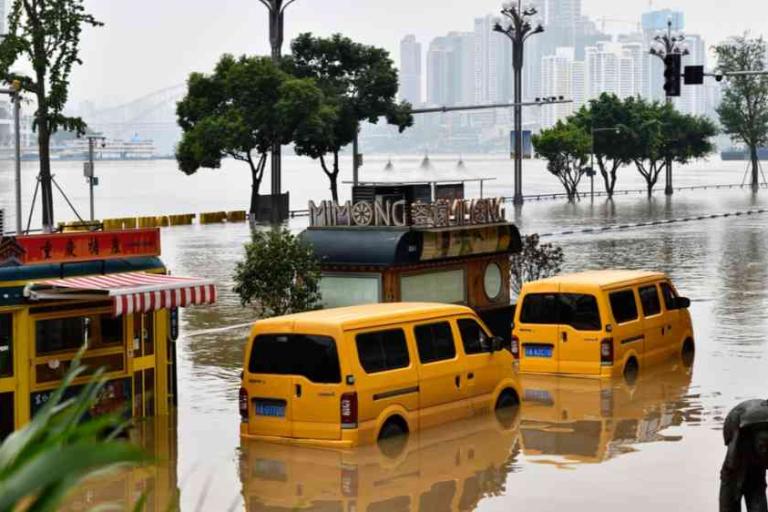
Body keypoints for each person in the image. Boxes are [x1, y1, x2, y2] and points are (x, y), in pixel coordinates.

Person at [720, 399, 768, 512]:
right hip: (738, 427)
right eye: (763, 446)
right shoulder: (739, 443)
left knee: (756, 487)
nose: (765, 450)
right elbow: (731, 465)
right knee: (731, 491)